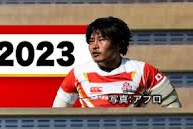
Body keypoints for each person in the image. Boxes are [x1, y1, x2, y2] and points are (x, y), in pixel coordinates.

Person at [53, 16, 182, 107]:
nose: (94, 46)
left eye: (101, 40)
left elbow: (172, 104)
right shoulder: (77, 74)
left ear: (118, 45)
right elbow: (57, 113)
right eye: (91, 41)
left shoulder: (143, 71)